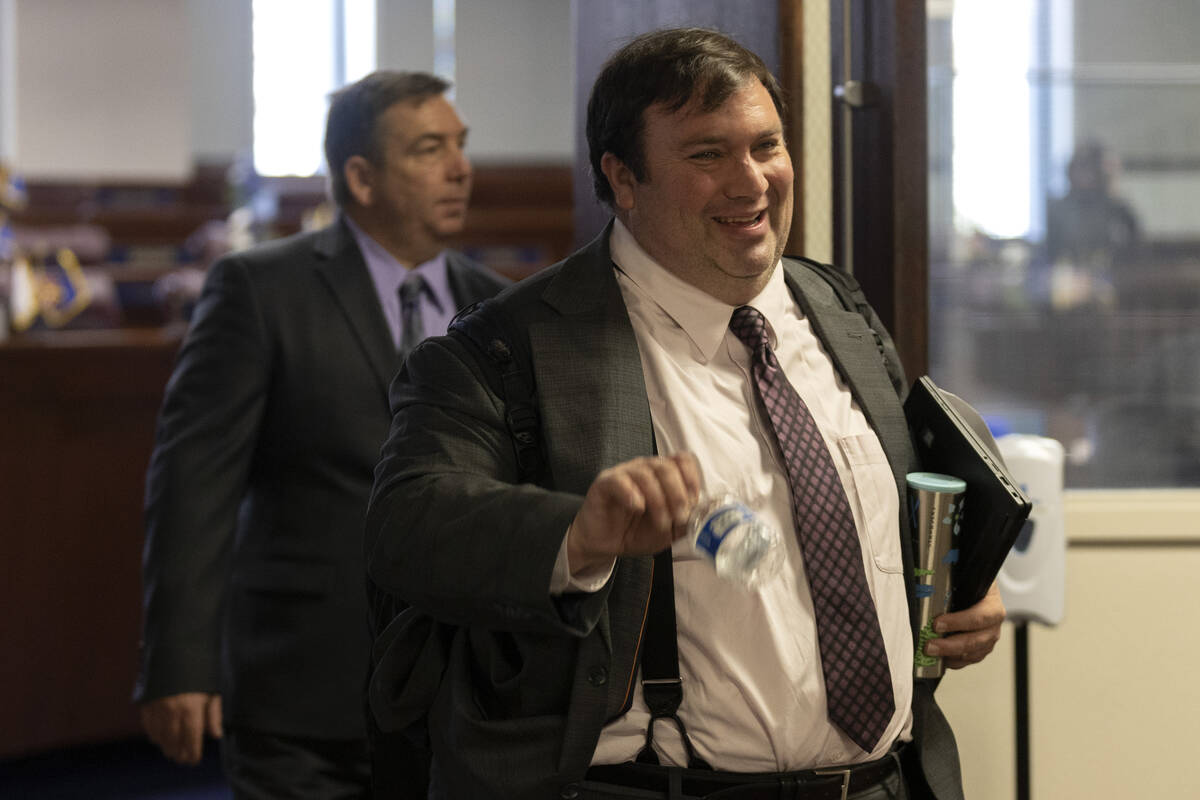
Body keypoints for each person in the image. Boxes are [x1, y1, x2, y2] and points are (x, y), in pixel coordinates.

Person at [365, 28, 1004, 800]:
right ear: (623, 179)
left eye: (766, 145)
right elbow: (408, 526)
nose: (752, 182)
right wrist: (578, 534)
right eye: (707, 156)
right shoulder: (510, 349)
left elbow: (878, 522)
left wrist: (957, 586)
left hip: (888, 783)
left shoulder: (841, 310)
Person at [135, 71, 507, 798]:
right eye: (430, 149)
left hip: (462, 699)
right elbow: (193, 484)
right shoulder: (259, 290)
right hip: (302, 696)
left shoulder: (497, 308)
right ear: (361, 178)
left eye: (461, 145)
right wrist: (178, 663)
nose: (461, 167)